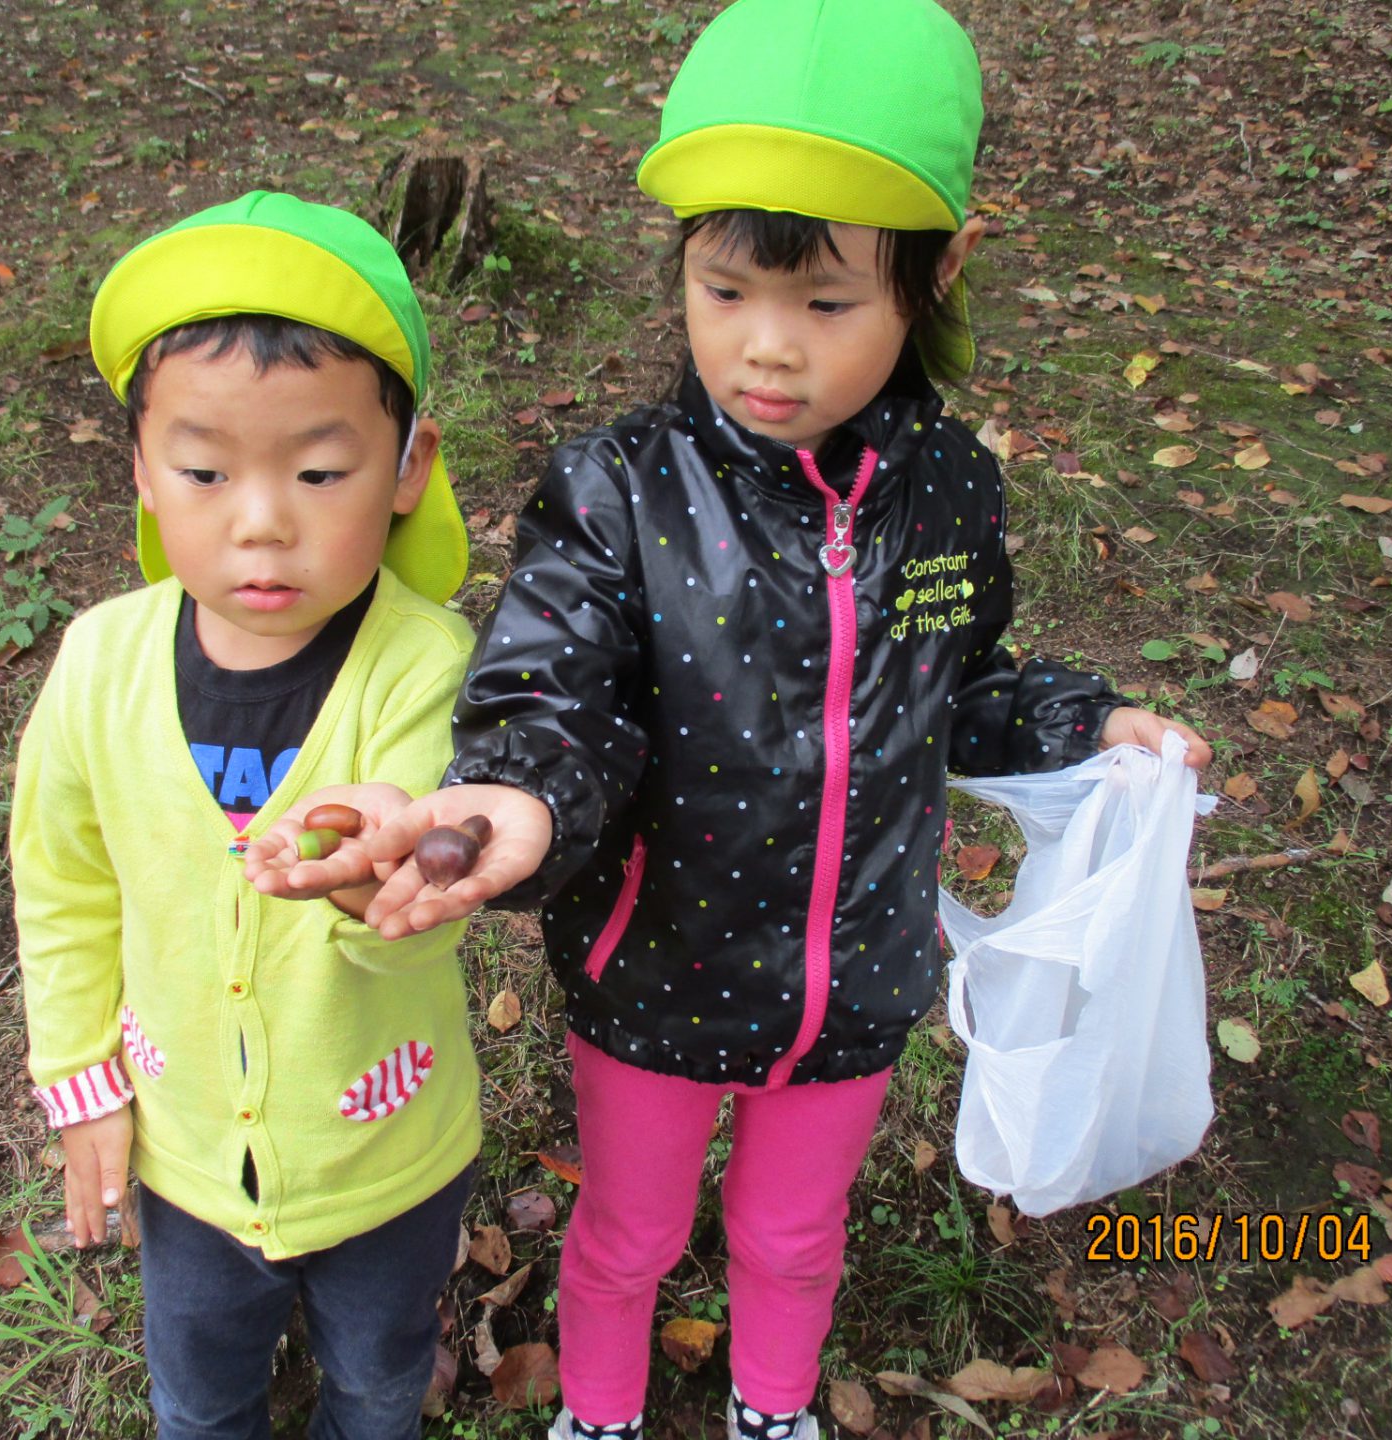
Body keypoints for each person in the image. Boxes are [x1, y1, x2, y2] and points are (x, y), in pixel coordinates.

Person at [253, 1, 1210, 1436]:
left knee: (794, 1236)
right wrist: (510, 795)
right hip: (658, 973)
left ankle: (774, 1405)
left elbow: (958, 686)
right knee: (627, 1235)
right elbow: (553, 692)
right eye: (723, 290)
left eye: (826, 305)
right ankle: (601, 1411)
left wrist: (1084, 726)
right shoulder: (618, 492)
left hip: (853, 980)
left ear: (940, 270)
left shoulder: (952, 492)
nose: (767, 349)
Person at [11, 190, 483, 1440]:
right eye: (204, 471)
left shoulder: (423, 667)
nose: (262, 519)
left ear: (409, 467)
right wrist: (81, 1081)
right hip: (184, 1156)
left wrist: (378, 882)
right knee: (199, 1392)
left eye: (320, 472)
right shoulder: (98, 664)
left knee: (377, 1382)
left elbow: (426, 913)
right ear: (141, 470)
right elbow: (63, 884)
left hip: (386, 1155)